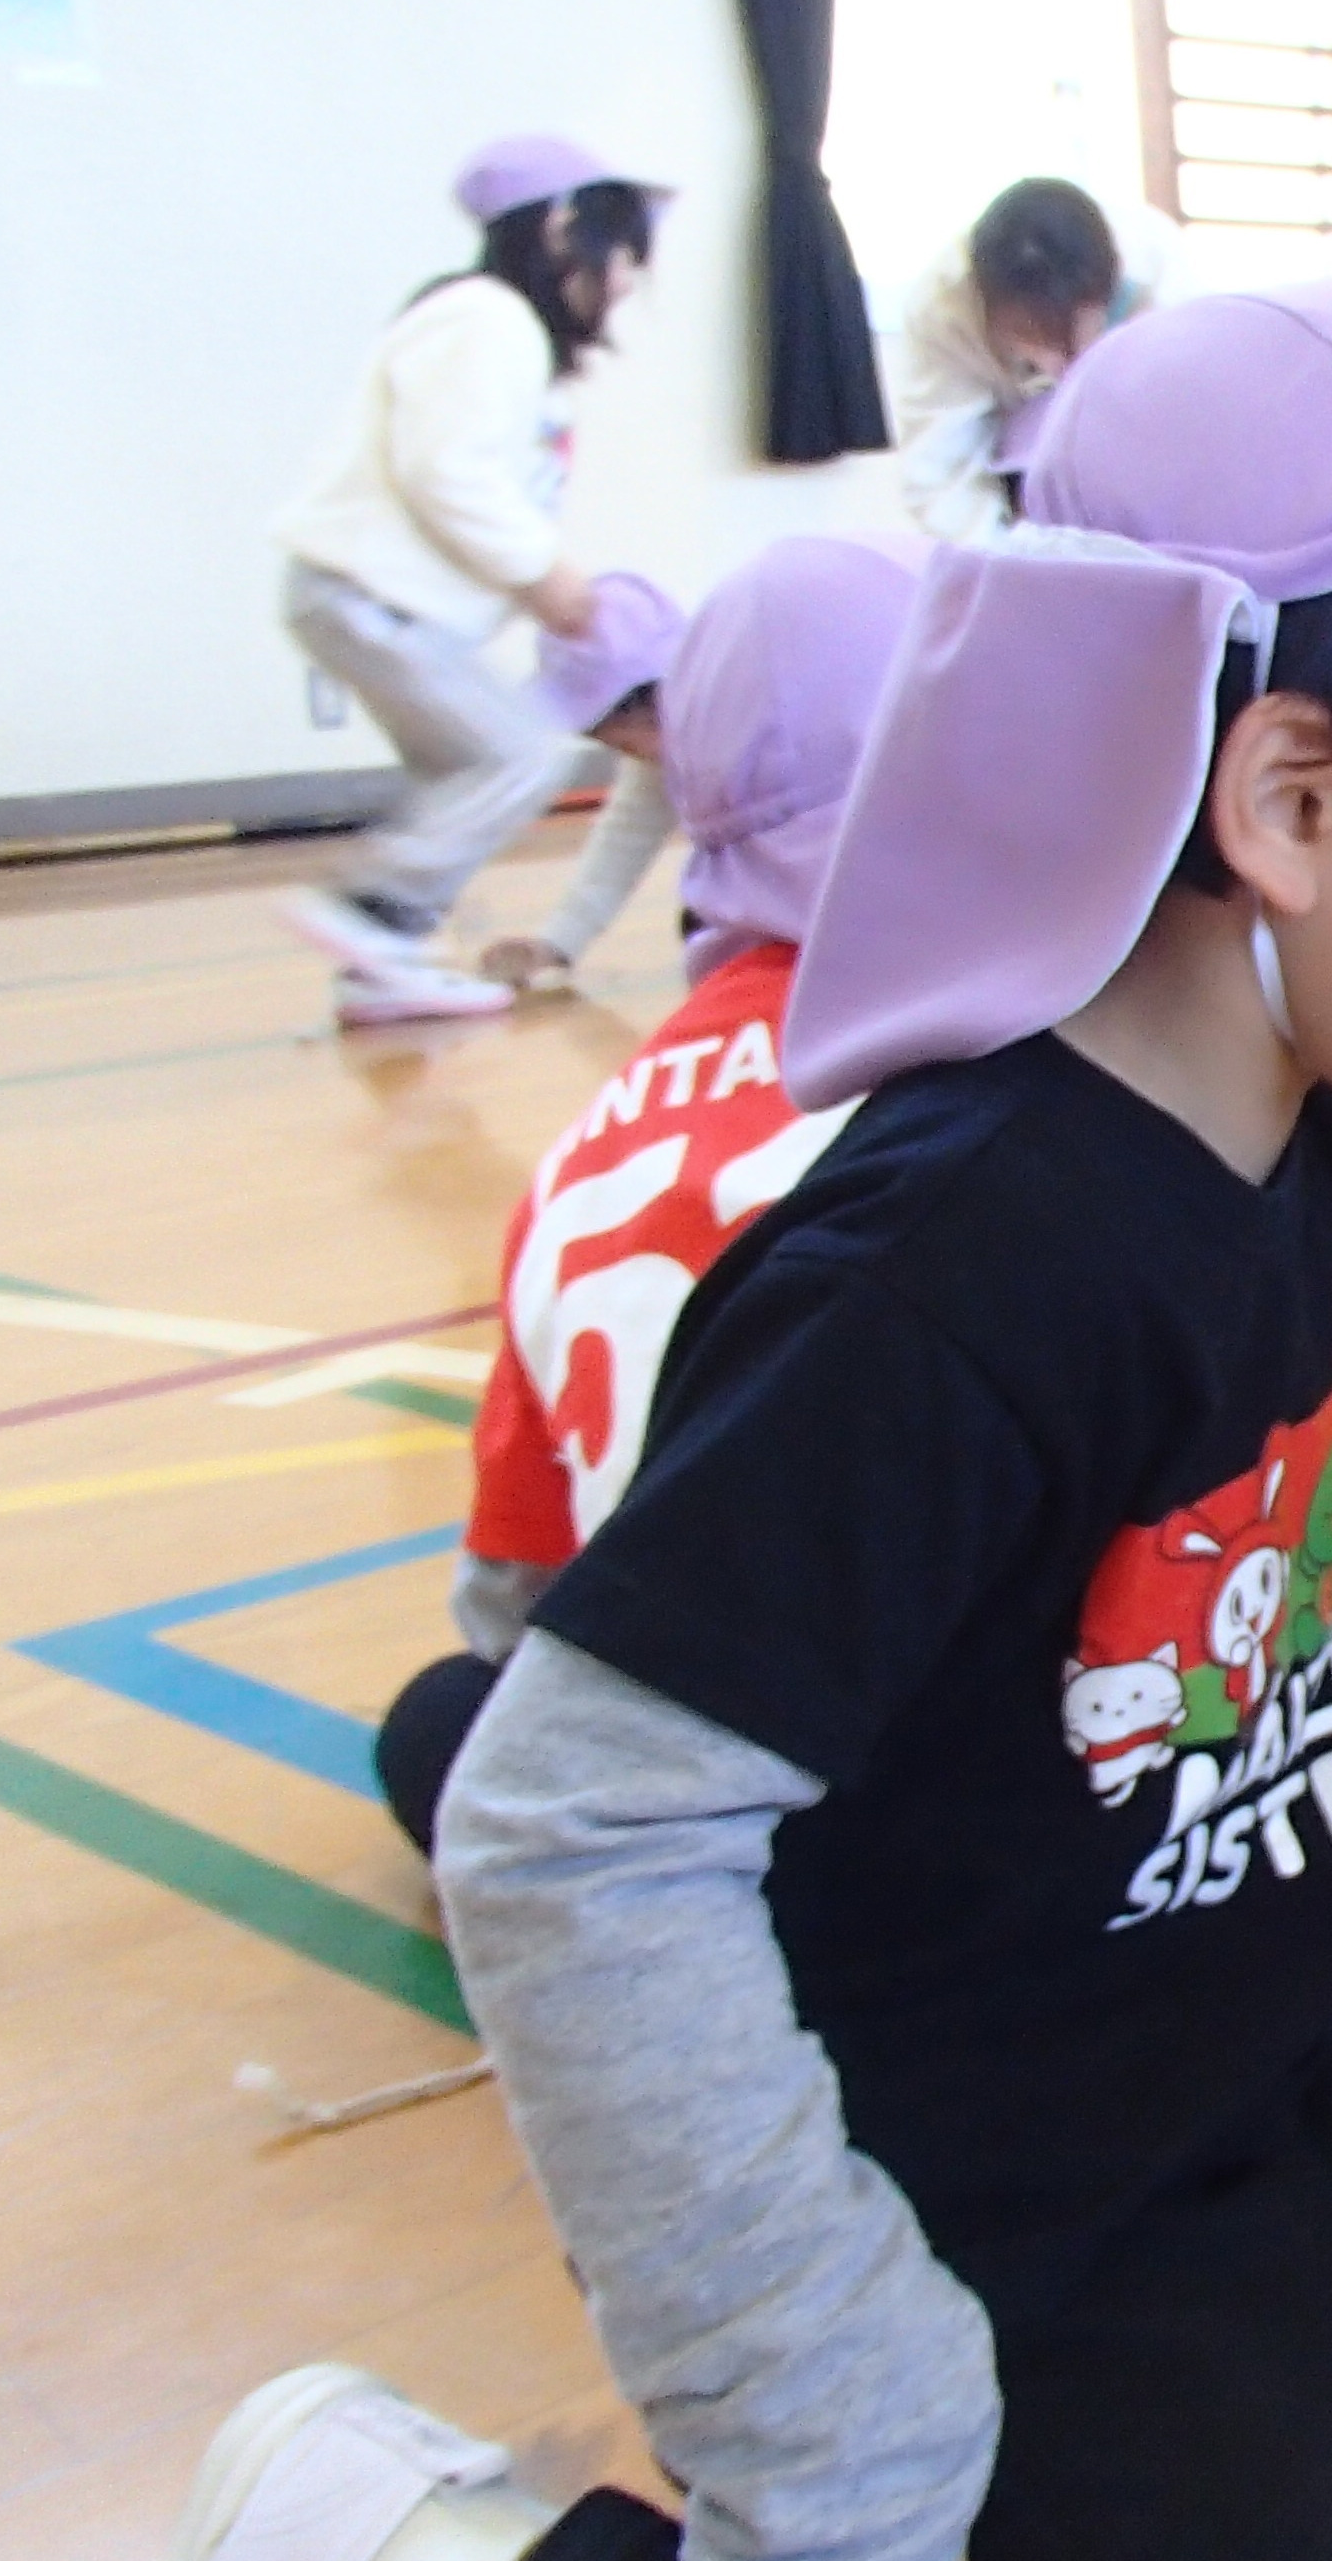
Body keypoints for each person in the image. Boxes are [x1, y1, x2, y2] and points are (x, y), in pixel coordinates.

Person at [180, 286, 1332, 2561]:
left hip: (1241, 2081)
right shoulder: (958, 1265)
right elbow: (570, 1844)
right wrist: (834, 2403)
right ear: (1289, 800)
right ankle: (406, 2528)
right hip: (983, 2214)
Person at [371, 533, 931, 1862]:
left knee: (444, 1719)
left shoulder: (582, 1149)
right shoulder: (1048, 1065)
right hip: (1032, 1791)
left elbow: (515, 1590)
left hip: (716, 1816)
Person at [276, 136, 670, 1025]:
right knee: (519, 752)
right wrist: (545, 576)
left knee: (458, 768)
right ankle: (369, 914)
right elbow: (447, 470)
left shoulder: (490, 331)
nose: (622, 287)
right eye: (622, 262)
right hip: (369, 596)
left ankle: (383, 963)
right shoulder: (488, 318)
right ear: (567, 230)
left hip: (372, 601)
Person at [889, 175, 1189, 539]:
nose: (1059, 367)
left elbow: (1198, 437)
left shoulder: (1165, 274)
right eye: (1037, 347)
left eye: (1074, 344)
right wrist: (1010, 566)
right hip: (1017, 467)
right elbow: (942, 479)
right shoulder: (942, 307)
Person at [472, 574, 695, 994]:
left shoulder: (771, 728)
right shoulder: (664, 749)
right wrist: (558, 942)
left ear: (656, 703)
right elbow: (626, 833)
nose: (623, 754)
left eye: (618, 739)